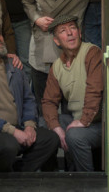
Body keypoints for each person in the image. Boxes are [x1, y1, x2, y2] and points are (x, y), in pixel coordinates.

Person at [23, 0, 101, 117]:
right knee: (43, 104)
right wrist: (36, 19)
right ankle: (46, 133)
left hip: (70, 48)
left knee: (70, 105)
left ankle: (69, 133)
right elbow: (27, 1)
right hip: (42, 46)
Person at [0, 20, 59, 172]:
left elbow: (28, 99)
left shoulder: (14, 65)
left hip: (18, 127)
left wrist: (29, 126)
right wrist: (12, 131)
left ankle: (19, 176)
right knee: (9, 145)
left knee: (50, 139)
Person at [42, 14, 104, 172]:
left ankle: (87, 180)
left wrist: (83, 121)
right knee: (47, 124)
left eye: (72, 28)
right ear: (57, 41)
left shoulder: (92, 53)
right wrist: (56, 127)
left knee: (74, 136)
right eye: (63, 31)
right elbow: (48, 101)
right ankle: (56, 176)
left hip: (100, 123)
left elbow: (94, 90)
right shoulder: (57, 66)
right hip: (78, 120)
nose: (69, 33)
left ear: (80, 33)